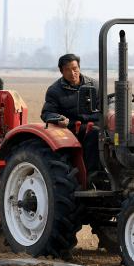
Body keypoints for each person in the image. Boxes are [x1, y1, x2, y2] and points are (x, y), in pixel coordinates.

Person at [41, 54, 102, 183]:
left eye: (75, 69)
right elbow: (47, 112)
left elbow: (106, 105)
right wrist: (58, 118)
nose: (72, 73)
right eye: (68, 70)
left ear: (79, 68)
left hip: (95, 123)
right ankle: (92, 176)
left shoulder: (94, 85)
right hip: (73, 128)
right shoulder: (55, 90)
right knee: (95, 134)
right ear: (61, 71)